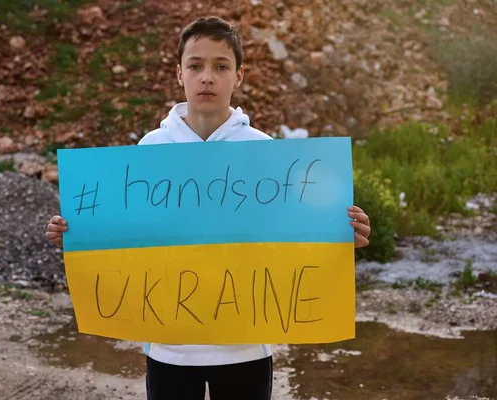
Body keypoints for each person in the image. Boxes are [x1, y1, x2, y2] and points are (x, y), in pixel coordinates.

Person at [45, 16, 372, 400]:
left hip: (246, 348)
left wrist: (336, 239)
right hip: (169, 350)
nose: (207, 77)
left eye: (221, 66)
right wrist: (77, 234)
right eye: (195, 65)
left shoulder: (266, 152)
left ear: (239, 76)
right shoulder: (150, 149)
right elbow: (130, 233)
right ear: (179, 74)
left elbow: (287, 237)